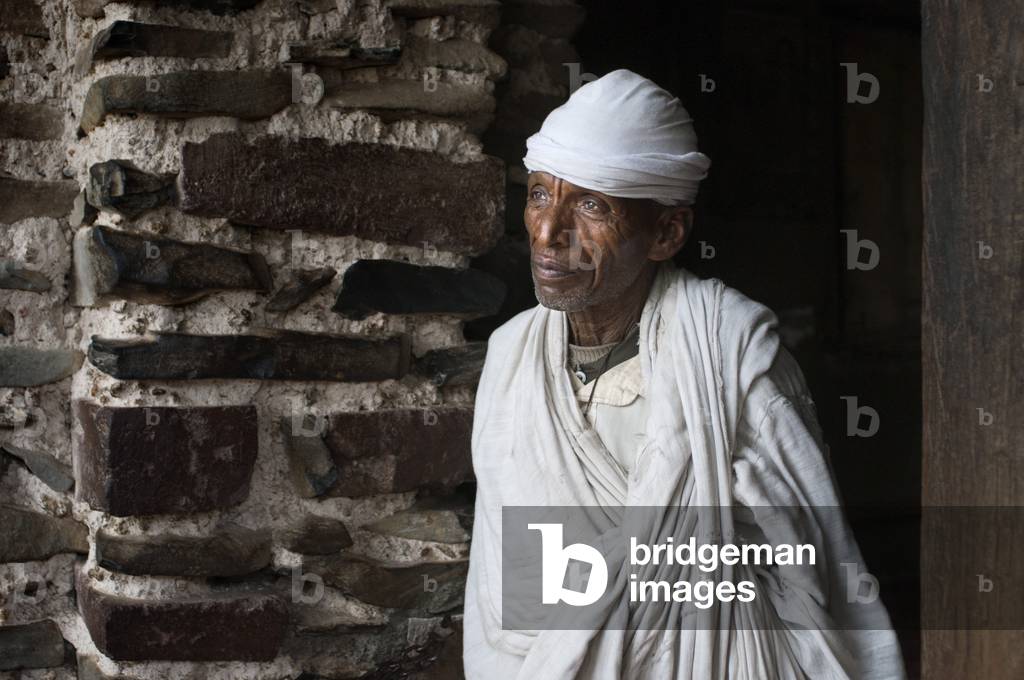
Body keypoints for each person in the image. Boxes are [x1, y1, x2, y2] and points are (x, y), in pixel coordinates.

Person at [463, 69, 906, 679]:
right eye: (540, 193)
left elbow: (814, 569)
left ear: (666, 232)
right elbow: (500, 576)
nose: (546, 231)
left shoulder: (731, 356)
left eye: (591, 204)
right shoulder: (511, 357)